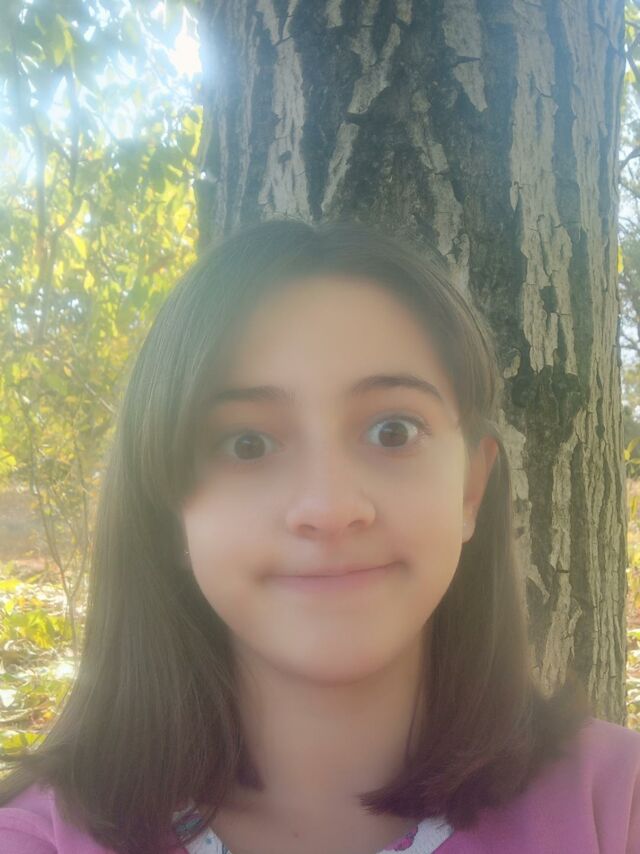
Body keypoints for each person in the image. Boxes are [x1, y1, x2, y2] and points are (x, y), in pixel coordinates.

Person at [0, 218, 638, 854]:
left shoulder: (615, 804)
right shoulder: (38, 840)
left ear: (470, 489)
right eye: (247, 444)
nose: (330, 509)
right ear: (169, 509)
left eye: (393, 431)